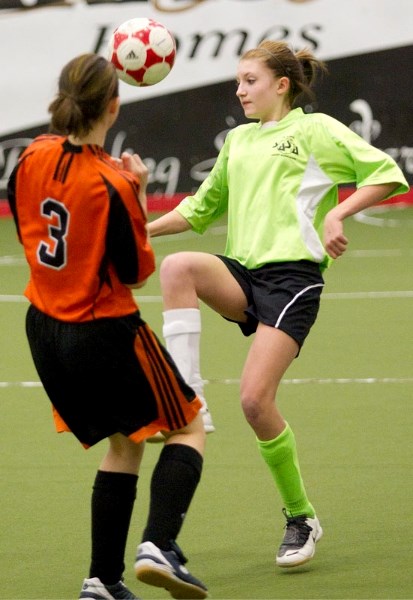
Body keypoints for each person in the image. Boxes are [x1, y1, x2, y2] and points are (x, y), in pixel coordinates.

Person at [147, 40, 409, 568]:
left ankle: (300, 515)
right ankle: (188, 398)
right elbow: (198, 210)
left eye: (250, 80)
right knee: (177, 266)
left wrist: (339, 214)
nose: (240, 90)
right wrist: (136, 233)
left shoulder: (313, 130)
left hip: (293, 279)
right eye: (239, 81)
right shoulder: (240, 141)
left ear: (281, 85)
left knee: (254, 403)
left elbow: (386, 174)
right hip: (243, 273)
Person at [7, 53, 208, 600]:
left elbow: (25, 214)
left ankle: (103, 581)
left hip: (44, 327)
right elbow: (137, 273)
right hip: (104, 330)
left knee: (124, 445)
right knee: (188, 427)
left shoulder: (30, 155)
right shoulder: (111, 184)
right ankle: (160, 545)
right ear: (113, 107)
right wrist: (138, 191)